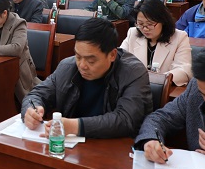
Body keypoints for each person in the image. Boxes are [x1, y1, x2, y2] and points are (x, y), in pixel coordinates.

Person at [22, 18, 152, 138]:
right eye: (78, 56)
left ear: (112, 55)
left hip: (113, 148)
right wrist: (31, 109)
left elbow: (126, 120)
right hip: (70, 146)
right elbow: (37, 94)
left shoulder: (133, 73)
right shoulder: (67, 67)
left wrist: (74, 126)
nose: (82, 65)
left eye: (91, 61)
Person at [121, 0, 192, 86]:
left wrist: (157, 80)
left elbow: (184, 70)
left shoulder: (179, 37)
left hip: (162, 89)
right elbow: (120, 61)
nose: (145, 29)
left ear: (163, 21)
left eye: (150, 24)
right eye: (140, 24)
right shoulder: (133, 33)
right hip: (134, 87)